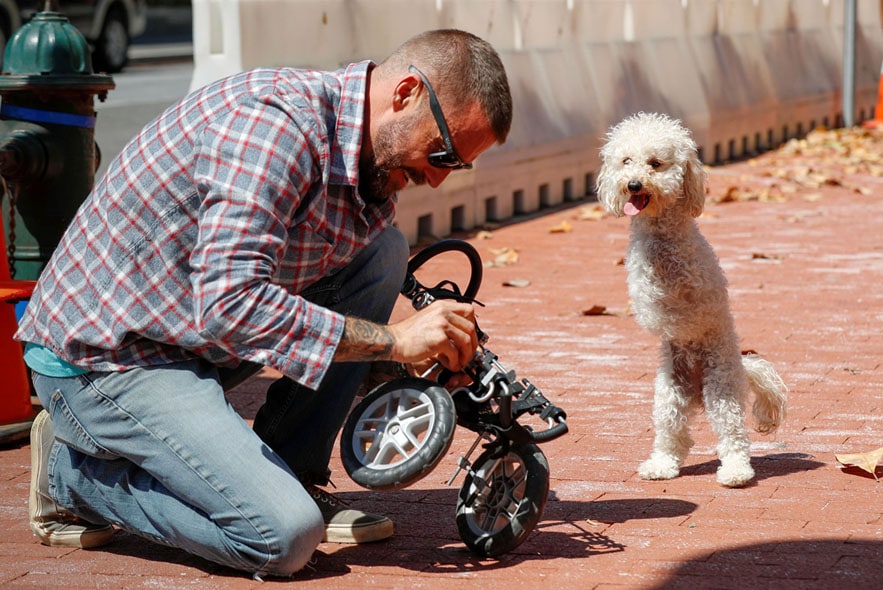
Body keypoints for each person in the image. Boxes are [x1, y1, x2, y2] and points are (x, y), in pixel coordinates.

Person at [15, 28, 512, 578]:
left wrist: (408, 364)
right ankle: (72, 476)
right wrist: (395, 341)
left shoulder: (370, 160)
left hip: (188, 335)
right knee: (283, 536)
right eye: (442, 154)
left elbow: (286, 312)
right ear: (405, 94)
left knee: (383, 253)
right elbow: (231, 304)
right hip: (107, 360)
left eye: (457, 167)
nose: (439, 179)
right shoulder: (274, 127)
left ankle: (290, 470)